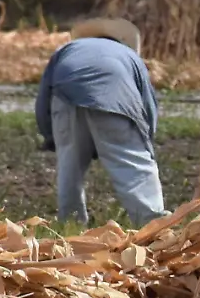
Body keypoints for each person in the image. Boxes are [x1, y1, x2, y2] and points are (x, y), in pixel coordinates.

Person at [35, 17, 166, 227]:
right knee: (132, 164)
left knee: (70, 164)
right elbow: (148, 104)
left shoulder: (67, 49)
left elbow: (44, 96)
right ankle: (153, 224)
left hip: (66, 97)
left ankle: (70, 226)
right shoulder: (130, 56)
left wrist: (51, 136)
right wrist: (145, 141)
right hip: (115, 101)